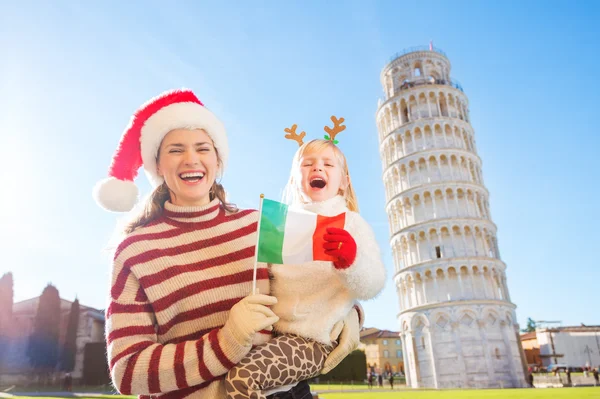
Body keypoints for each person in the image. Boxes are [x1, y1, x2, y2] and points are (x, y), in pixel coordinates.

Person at [94, 89, 362, 399]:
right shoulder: (136, 251)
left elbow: (315, 285)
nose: (191, 159)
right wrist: (228, 340)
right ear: (157, 165)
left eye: (203, 148)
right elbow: (128, 371)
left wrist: (350, 314)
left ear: (218, 160)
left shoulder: (260, 225)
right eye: (176, 149)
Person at [225, 124, 386, 398]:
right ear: (293, 180)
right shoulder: (280, 225)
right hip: (274, 336)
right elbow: (266, 278)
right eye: (307, 164)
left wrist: (351, 261)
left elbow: (373, 283)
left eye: (327, 164)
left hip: (313, 339)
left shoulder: (351, 224)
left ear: (344, 181)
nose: (317, 169)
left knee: (242, 379)